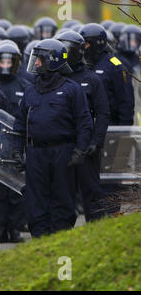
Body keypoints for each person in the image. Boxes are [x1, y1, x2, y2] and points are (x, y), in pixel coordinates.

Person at [13, 39, 93, 237]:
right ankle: (40, 240)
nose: (36, 64)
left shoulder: (71, 89)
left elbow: (84, 122)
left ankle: (60, 240)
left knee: (62, 198)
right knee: (35, 199)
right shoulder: (31, 90)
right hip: (35, 153)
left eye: (40, 60)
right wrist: (16, 149)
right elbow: (20, 123)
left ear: (53, 61)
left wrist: (79, 150)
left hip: (62, 152)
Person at [56, 30, 111, 222]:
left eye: (68, 50)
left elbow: (103, 113)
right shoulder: (56, 79)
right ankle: (62, 237)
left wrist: (96, 141)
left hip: (87, 147)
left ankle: (96, 234)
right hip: (62, 146)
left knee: (91, 192)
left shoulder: (91, 79)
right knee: (62, 194)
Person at [0, 43, 31, 243]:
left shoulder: (24, 85)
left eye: (9, 61)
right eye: (2, 61)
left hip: (17, 142)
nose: (6, 65)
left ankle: (15, 228)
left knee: (15, 190)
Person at [80, 23, 134, 126]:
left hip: (112, 127)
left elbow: (126, 101)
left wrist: (124, 134)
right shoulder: (84, 64)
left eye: (86, 44)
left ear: (96, 43)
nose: (84, 48)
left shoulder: (115, 66)